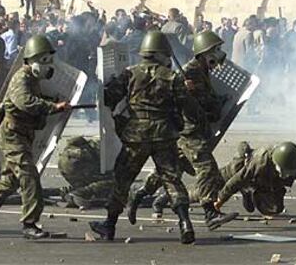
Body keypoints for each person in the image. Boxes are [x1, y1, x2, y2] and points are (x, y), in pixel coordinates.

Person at [89, 31, 195, 244]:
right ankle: (185, 224)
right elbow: (186, 106)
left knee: (122, 180)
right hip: (164, 134)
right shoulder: (172, 77)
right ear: (163, 54)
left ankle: (109, 225)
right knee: (171, 180)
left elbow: (109, 98)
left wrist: (109, 83)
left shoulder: (130, 74)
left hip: (136, 136)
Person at [128, 31, 238, 231]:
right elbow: (177, 98)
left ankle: (141, 192)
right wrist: (189, 91)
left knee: (170, 171)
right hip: (188, 130)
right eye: (217, 50)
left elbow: (207, 101)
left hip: (192, 130)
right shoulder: (190, 72)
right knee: (207, 168)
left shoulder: (203, 71)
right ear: (205, 53)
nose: (220, 53)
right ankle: (210, 212)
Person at [0, 35, 71, 239]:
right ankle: (29, 223)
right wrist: (52, 107)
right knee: (29, 175)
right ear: (32, 61)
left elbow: (34, 99)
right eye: (44, 61)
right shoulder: (22, 78)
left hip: (22, 134)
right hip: (12, 134)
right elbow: (25, 102)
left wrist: (55, 102)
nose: (48, 66)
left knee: (11, 179)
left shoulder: (33, 80)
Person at [215, 142, 296, 222]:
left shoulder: (294, 165)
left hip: (267, 182)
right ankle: (246, 189)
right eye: (283, 171)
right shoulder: (260, 162)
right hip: (242, 169)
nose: (286, 175)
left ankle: (249, 191)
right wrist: (220, 201)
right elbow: (238, 179)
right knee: (208, 186)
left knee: (275, 210)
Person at [57, 136, 114, 209]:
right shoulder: (99, 147)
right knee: (114, 184)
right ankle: (82, 193)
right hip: (81, 163)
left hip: (65, 165)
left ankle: (76, 191)